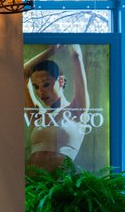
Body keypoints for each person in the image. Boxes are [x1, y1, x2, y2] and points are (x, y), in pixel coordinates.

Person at [24, 43, 90, 172]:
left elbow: (76, 56)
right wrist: (51, 50)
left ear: (60, 81)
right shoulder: (38, 114)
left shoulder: (76, 110)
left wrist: (66, 39)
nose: (40, 92)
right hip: (30, 183)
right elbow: (23, 73)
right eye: (36, 87)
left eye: (46, 84)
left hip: (58, 183)